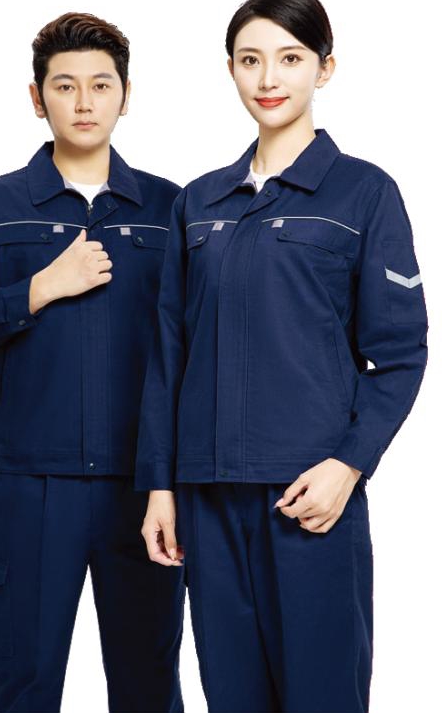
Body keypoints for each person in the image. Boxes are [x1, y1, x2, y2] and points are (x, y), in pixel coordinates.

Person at [134, 1, 429, 712]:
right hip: (206, 496)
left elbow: (399, 352)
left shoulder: (365, 192)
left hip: (309, 497)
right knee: (231, 696)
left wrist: (348, 464)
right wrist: (160, 486)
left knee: (322, 695)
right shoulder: (199, 202)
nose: (269, 78)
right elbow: (169, 352)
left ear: (325, 68)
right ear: (232, 69)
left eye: (291, 58)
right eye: (251, 59)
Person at [0, 11, 185, 713]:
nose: (84, 102)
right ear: (37, 98)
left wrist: (173, 478)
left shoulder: (171, 208)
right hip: (31, 490)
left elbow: (192, 347)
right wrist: (38, 288)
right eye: (65, 86)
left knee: (149, 690)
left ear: (126, 95)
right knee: (22, 690)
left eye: (101, 85)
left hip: (143, 489)